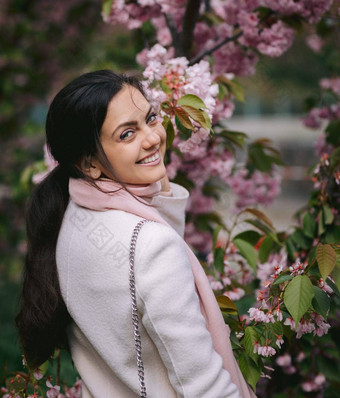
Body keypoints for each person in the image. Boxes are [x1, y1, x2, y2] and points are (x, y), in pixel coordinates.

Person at [16, 70, 256, 398]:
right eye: (127, 134)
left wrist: (160, 190)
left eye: (151, 118)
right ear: (89, 164)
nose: (153, 137)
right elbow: (205, 387)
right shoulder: (151, 246)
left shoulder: (72, 217)